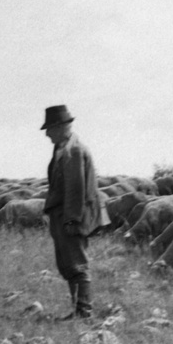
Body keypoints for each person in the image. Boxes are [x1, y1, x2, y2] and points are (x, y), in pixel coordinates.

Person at [40, 104, 108, 319]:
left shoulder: (74, 150)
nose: (47, 134)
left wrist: (72, 219)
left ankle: (84, 312)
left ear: (60, 126)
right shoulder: (63, 148)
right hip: (62, 214)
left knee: (77, 262)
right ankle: (78, 309)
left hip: (71, 215)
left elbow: (76, 188)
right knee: (68, 263)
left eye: (50, 129)